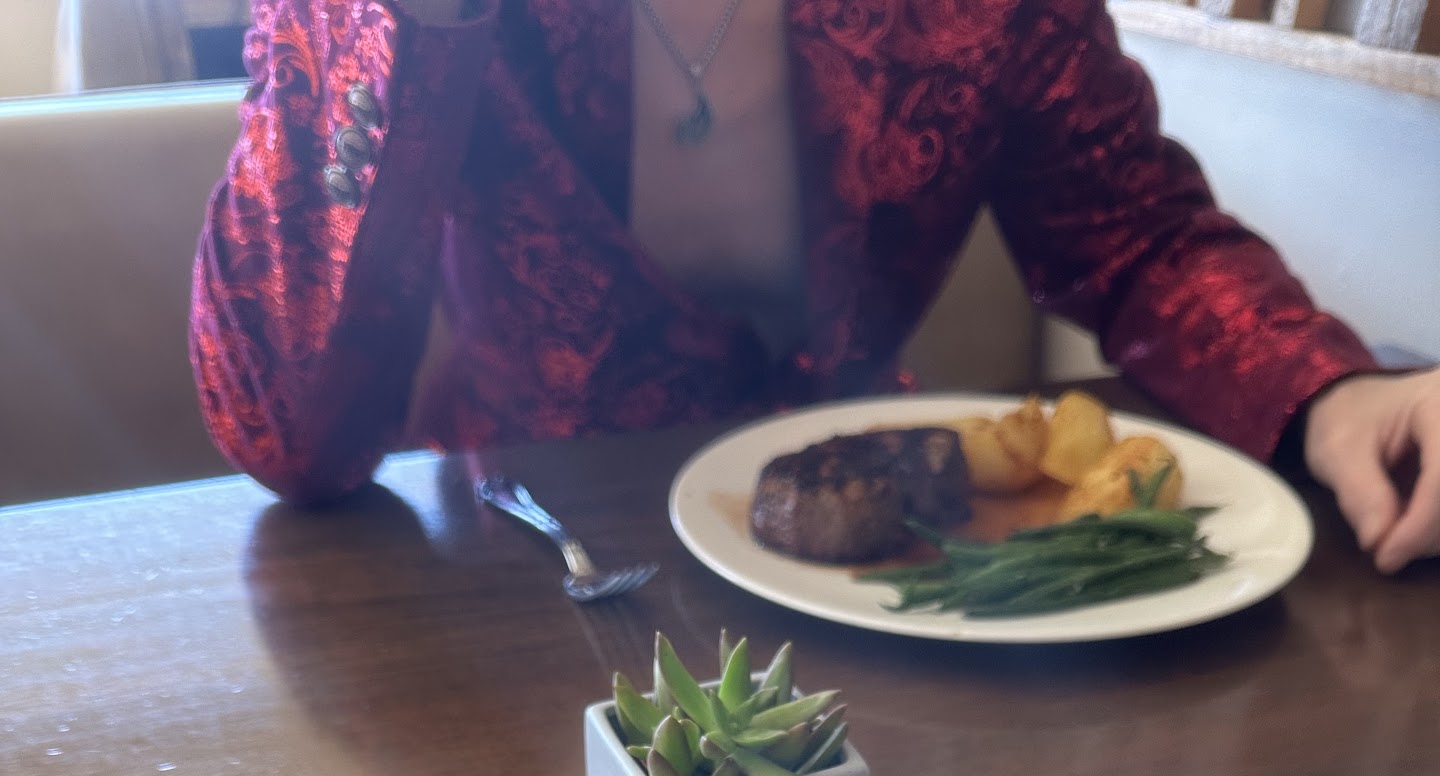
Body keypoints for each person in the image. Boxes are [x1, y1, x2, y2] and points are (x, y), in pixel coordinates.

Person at [190, 0, 1440, 572]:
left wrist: (1329, 390)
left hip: (893, 571)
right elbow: (285, 436)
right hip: (532, 575)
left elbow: (1141, 236)